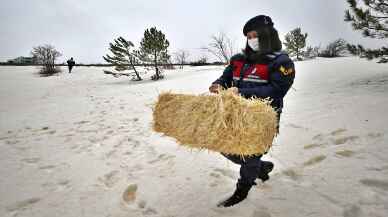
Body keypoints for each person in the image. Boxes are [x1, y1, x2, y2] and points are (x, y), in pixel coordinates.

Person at [209, 15, 295, 207]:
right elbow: (226, 78)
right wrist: (218, 84)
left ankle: (243, 188)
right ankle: (260, 167)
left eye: (254, 35)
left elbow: (277, 91)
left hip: (262, 119)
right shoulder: (239, 59)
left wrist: (241, 93)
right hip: (236, 116)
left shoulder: (281, 62)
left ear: (267, 35)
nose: (251, 39)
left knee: (250, 154)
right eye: (248, 36)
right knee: (226, 147)